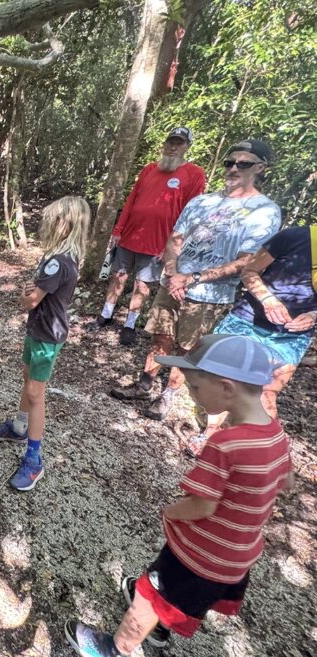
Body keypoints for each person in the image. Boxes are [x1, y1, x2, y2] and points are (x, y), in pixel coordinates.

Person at [65, 334, 293, 657]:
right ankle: (159, 628)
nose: (191, 392)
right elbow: (284, 479)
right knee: (175, 596)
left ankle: (115, 648)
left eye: (197, 387)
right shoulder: (275, 435)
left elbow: (203, 503)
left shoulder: (226, 444)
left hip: (199, 555)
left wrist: (171, 512)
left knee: (148, 597)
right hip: (235, 559)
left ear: (227, 388)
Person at [110, 139, 281, 421]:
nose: (234, 168)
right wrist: (173, 272)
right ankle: (144, 384)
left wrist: (193, 278)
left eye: (244, 163)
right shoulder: (203, 202)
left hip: (209, 295)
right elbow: (175, 238)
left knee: (188, 347)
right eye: (230, 163)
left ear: (260, 168)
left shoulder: (264, 211)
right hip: (174, 283)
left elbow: (247, 261)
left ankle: (168, 395)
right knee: (160, 336)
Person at [0, 196, 91, 491]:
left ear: (64, 223)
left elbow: (29, 301)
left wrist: (23, 294)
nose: (46, 224)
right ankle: (19, 427)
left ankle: (34, 460)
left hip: (46, 334)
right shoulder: (59, 257)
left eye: (52, 219)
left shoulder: (58, 262)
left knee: (36, 392)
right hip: (40, 331)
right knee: (28, 381)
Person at [184, 224, 317, 455]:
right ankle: (210, 435)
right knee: (221, 376)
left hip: (291, 334)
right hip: (248, 319)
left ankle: (258, 455)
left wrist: (314, 315)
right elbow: (250, 271)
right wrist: (268, 300)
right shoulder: (297, 236)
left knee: (267, 391)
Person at [94, 127, 205, 346]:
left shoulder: (194, 174)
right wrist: (118, 230)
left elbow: (191, 214)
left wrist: (172, 247)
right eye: (170, 142)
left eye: (179, 143)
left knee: (143, 285)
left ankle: (130, 324)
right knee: (119, 276)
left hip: (158, 243)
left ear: (187, 147)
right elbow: (131, 200)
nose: (173, 147)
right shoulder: (149, 169)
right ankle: (105, 315)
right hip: (130, 236)